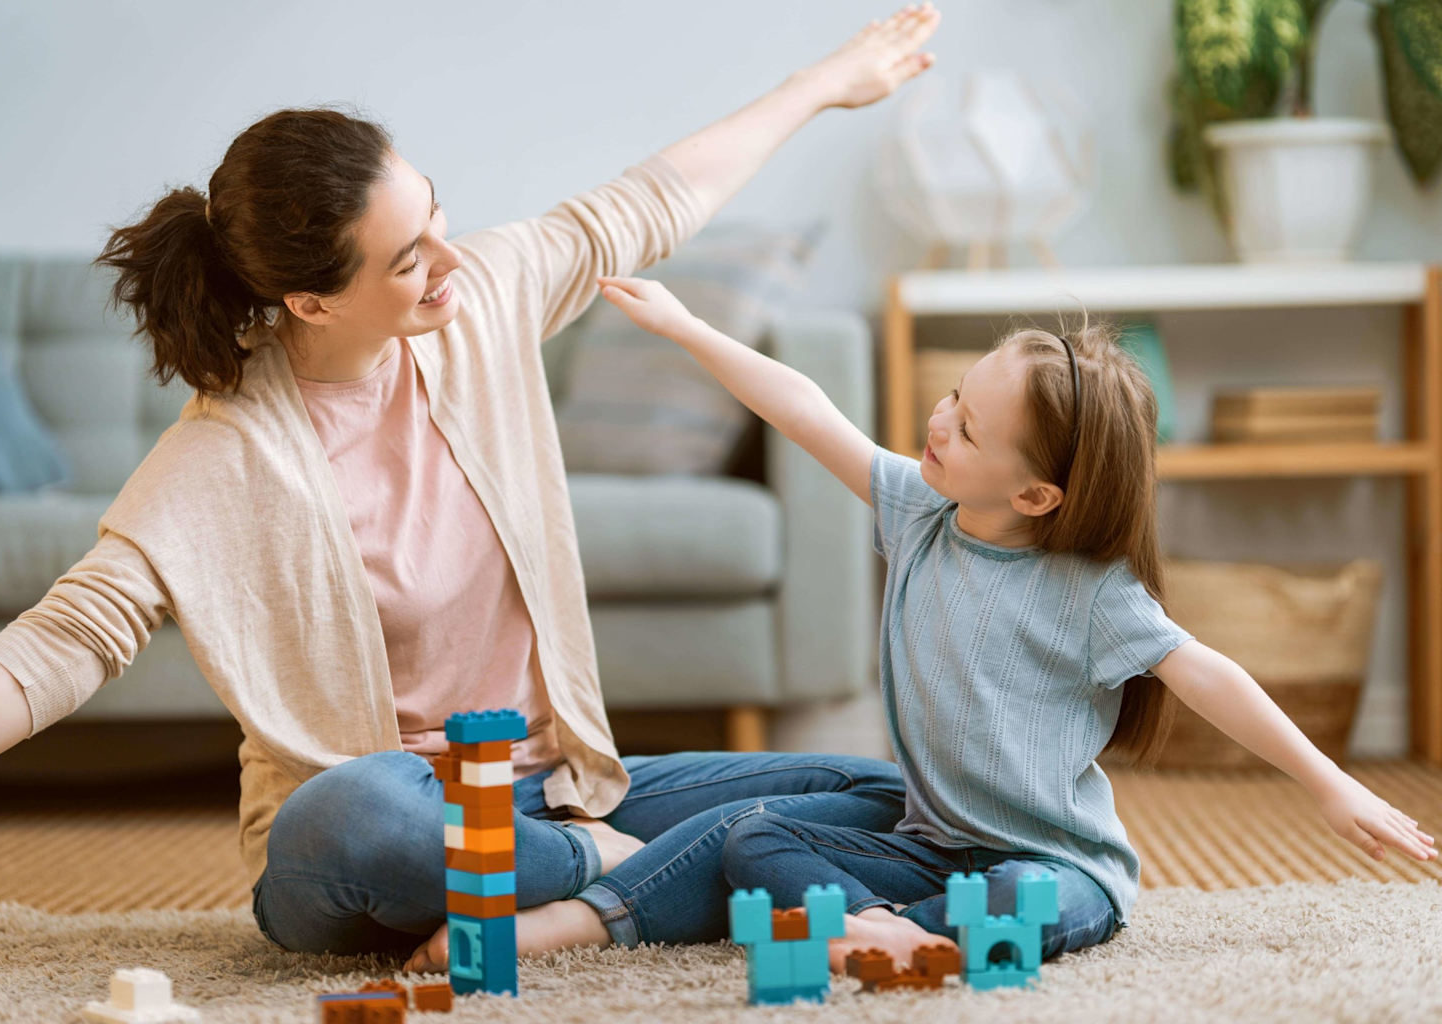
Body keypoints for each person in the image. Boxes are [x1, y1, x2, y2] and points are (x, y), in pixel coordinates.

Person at [0, 6, 946, 963]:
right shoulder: (225, 453)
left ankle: (589, 883)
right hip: (381, 832)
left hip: (556, 798)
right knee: (355, 815)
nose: (452, 258)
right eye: (409, 257)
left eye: (439, 215)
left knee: (880, 793)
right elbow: (64, 641)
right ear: (312, 301)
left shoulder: (481, 302)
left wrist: (827, 82)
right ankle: (634, 874)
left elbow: (652, 200)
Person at [488, 272, 1437, 973]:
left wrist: (1327, 784)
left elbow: (1206, 674)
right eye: (954, 398)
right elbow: (808, 409)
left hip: (1056, 863)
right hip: (926, 840)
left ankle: (898, 935)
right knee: (754, 838)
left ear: (1035, 492)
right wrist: (690, 329)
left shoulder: (1091, 589)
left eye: (969, 428)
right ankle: (889, 936)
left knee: (1023, 901)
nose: (938, 423)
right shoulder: (915, 509)